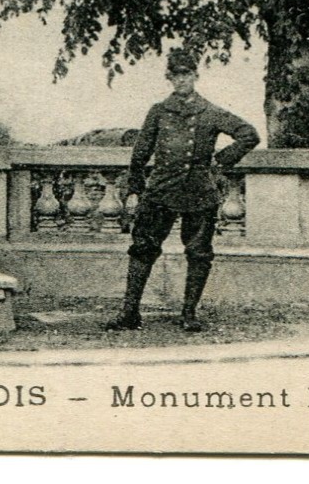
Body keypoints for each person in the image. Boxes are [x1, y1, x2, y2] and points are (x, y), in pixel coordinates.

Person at [104, 48, 260, 333]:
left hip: (199, 192)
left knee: (199, 253)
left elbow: (249, 134)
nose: (181, 81)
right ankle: (129, 313)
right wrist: (136, 188)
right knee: (142, 249)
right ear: (169, 78)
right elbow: (140, 153)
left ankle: (189, 314)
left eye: (186, 75)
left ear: (195, 76)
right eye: (175, 76)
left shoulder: (210, 112)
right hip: (161, 190)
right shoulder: (158, 111)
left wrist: (221, 160)